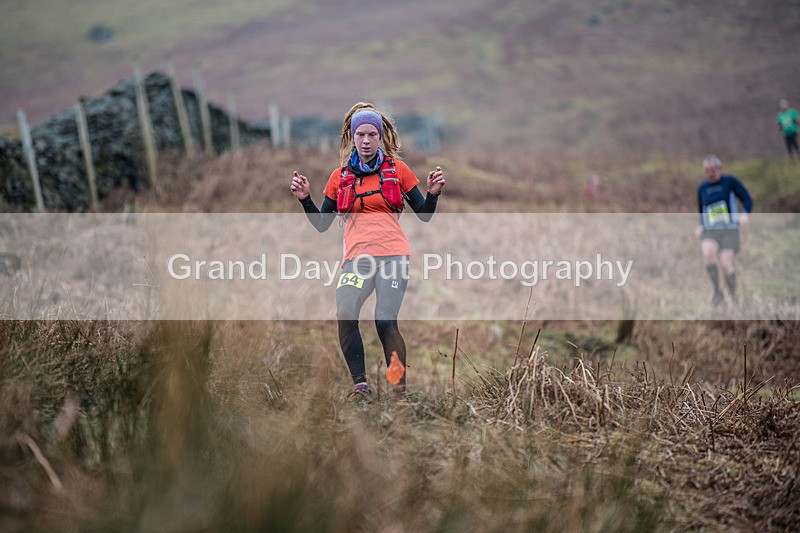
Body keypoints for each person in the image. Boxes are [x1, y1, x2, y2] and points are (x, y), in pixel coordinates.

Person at [290, 102, 445, 402]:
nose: (366, 140)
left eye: (372, 134)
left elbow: (424, 213)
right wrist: (305, 199)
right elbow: (322, 225)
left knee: (385, 321)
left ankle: (399, 391)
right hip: (357, 260)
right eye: (360, 134)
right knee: (346, 313)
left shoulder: (398, 170)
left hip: (394, 256)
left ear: (380, 136)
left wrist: (433, 195)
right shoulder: (339, 177)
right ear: (351, 136)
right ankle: (360, 387)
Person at [695, 155, 752, 307]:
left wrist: (744, 213)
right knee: (707, 254)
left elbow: (747, 198)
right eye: (707, 170)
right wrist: (701, 225)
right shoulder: (702, 188)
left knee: (726, 264)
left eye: (713, 169)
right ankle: (717, 293)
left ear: (719, 169)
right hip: (711, 230)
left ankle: (733, 297)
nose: (710, 173)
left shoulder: (730, 182)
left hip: (729, 229)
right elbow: (702, 210)